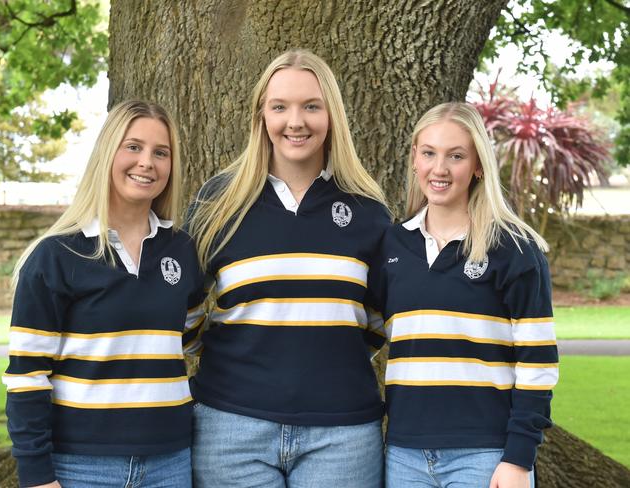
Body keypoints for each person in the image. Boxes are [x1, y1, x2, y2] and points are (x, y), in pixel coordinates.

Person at [187, 49, 391, 487]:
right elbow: (184, 310)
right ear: (261, 115)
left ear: (331, 114)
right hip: (230, 427)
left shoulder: (369, 211)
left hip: (343, 434)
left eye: (311, 106)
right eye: (280, 107)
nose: (295, 121)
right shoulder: (217, 203)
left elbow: (377, 320)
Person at [2, 100, 205, 488]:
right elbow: (27, 378)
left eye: (160, 152)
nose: (147, 162)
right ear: (106, 153)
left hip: (170, 462)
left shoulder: (182, 251)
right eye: (133, 147)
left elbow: (193, 341)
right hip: (80, 467)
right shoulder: (57, 256)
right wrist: (37, 477)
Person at [370, 102, 559, 488]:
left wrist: (518, 460)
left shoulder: (515, 249)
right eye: (429, 153)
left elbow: (537, 366)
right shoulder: (392, 245)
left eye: (455, 156)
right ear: (414, 160)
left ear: (477, 166)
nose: (439, 169)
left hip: (486, 456)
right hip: (404, 453)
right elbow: (362, 335)